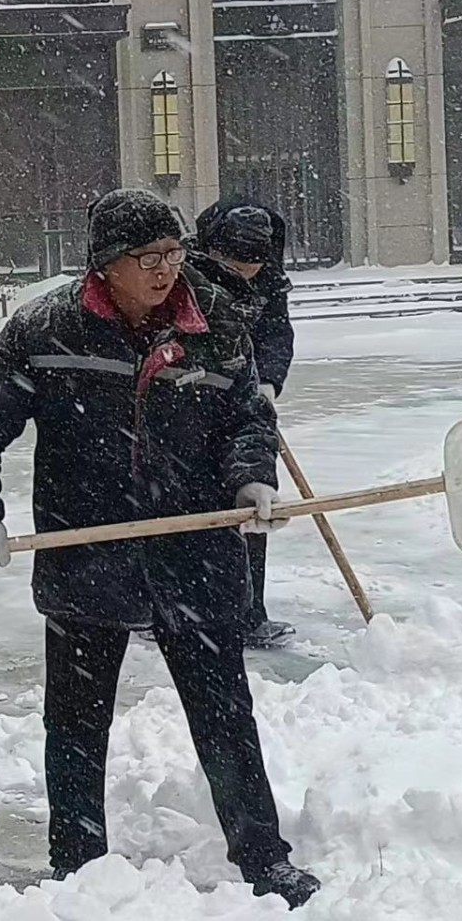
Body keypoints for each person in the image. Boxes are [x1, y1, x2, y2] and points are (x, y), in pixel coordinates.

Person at [0, 187, 320, 909]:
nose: (165, 270)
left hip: (195, 554)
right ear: (106, 264)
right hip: (89, 556)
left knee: (225, 716)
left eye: (173, 253)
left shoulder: (214, 323)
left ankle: (264, 856)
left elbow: (247, 416)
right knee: (76, 723)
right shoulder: (52, 329)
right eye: (147, 258)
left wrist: (249, 482)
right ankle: (77, 862)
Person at [188, 198, 298, 649]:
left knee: (253, 502)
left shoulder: (269, 280)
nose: (246, 274)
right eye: (237, 264)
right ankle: (169, 609)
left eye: (253, 265)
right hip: (189, 407)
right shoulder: (188, 277)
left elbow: (277, 333)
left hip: (247, 410)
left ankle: (249, 612)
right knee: (186, 508)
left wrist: (267, 382)